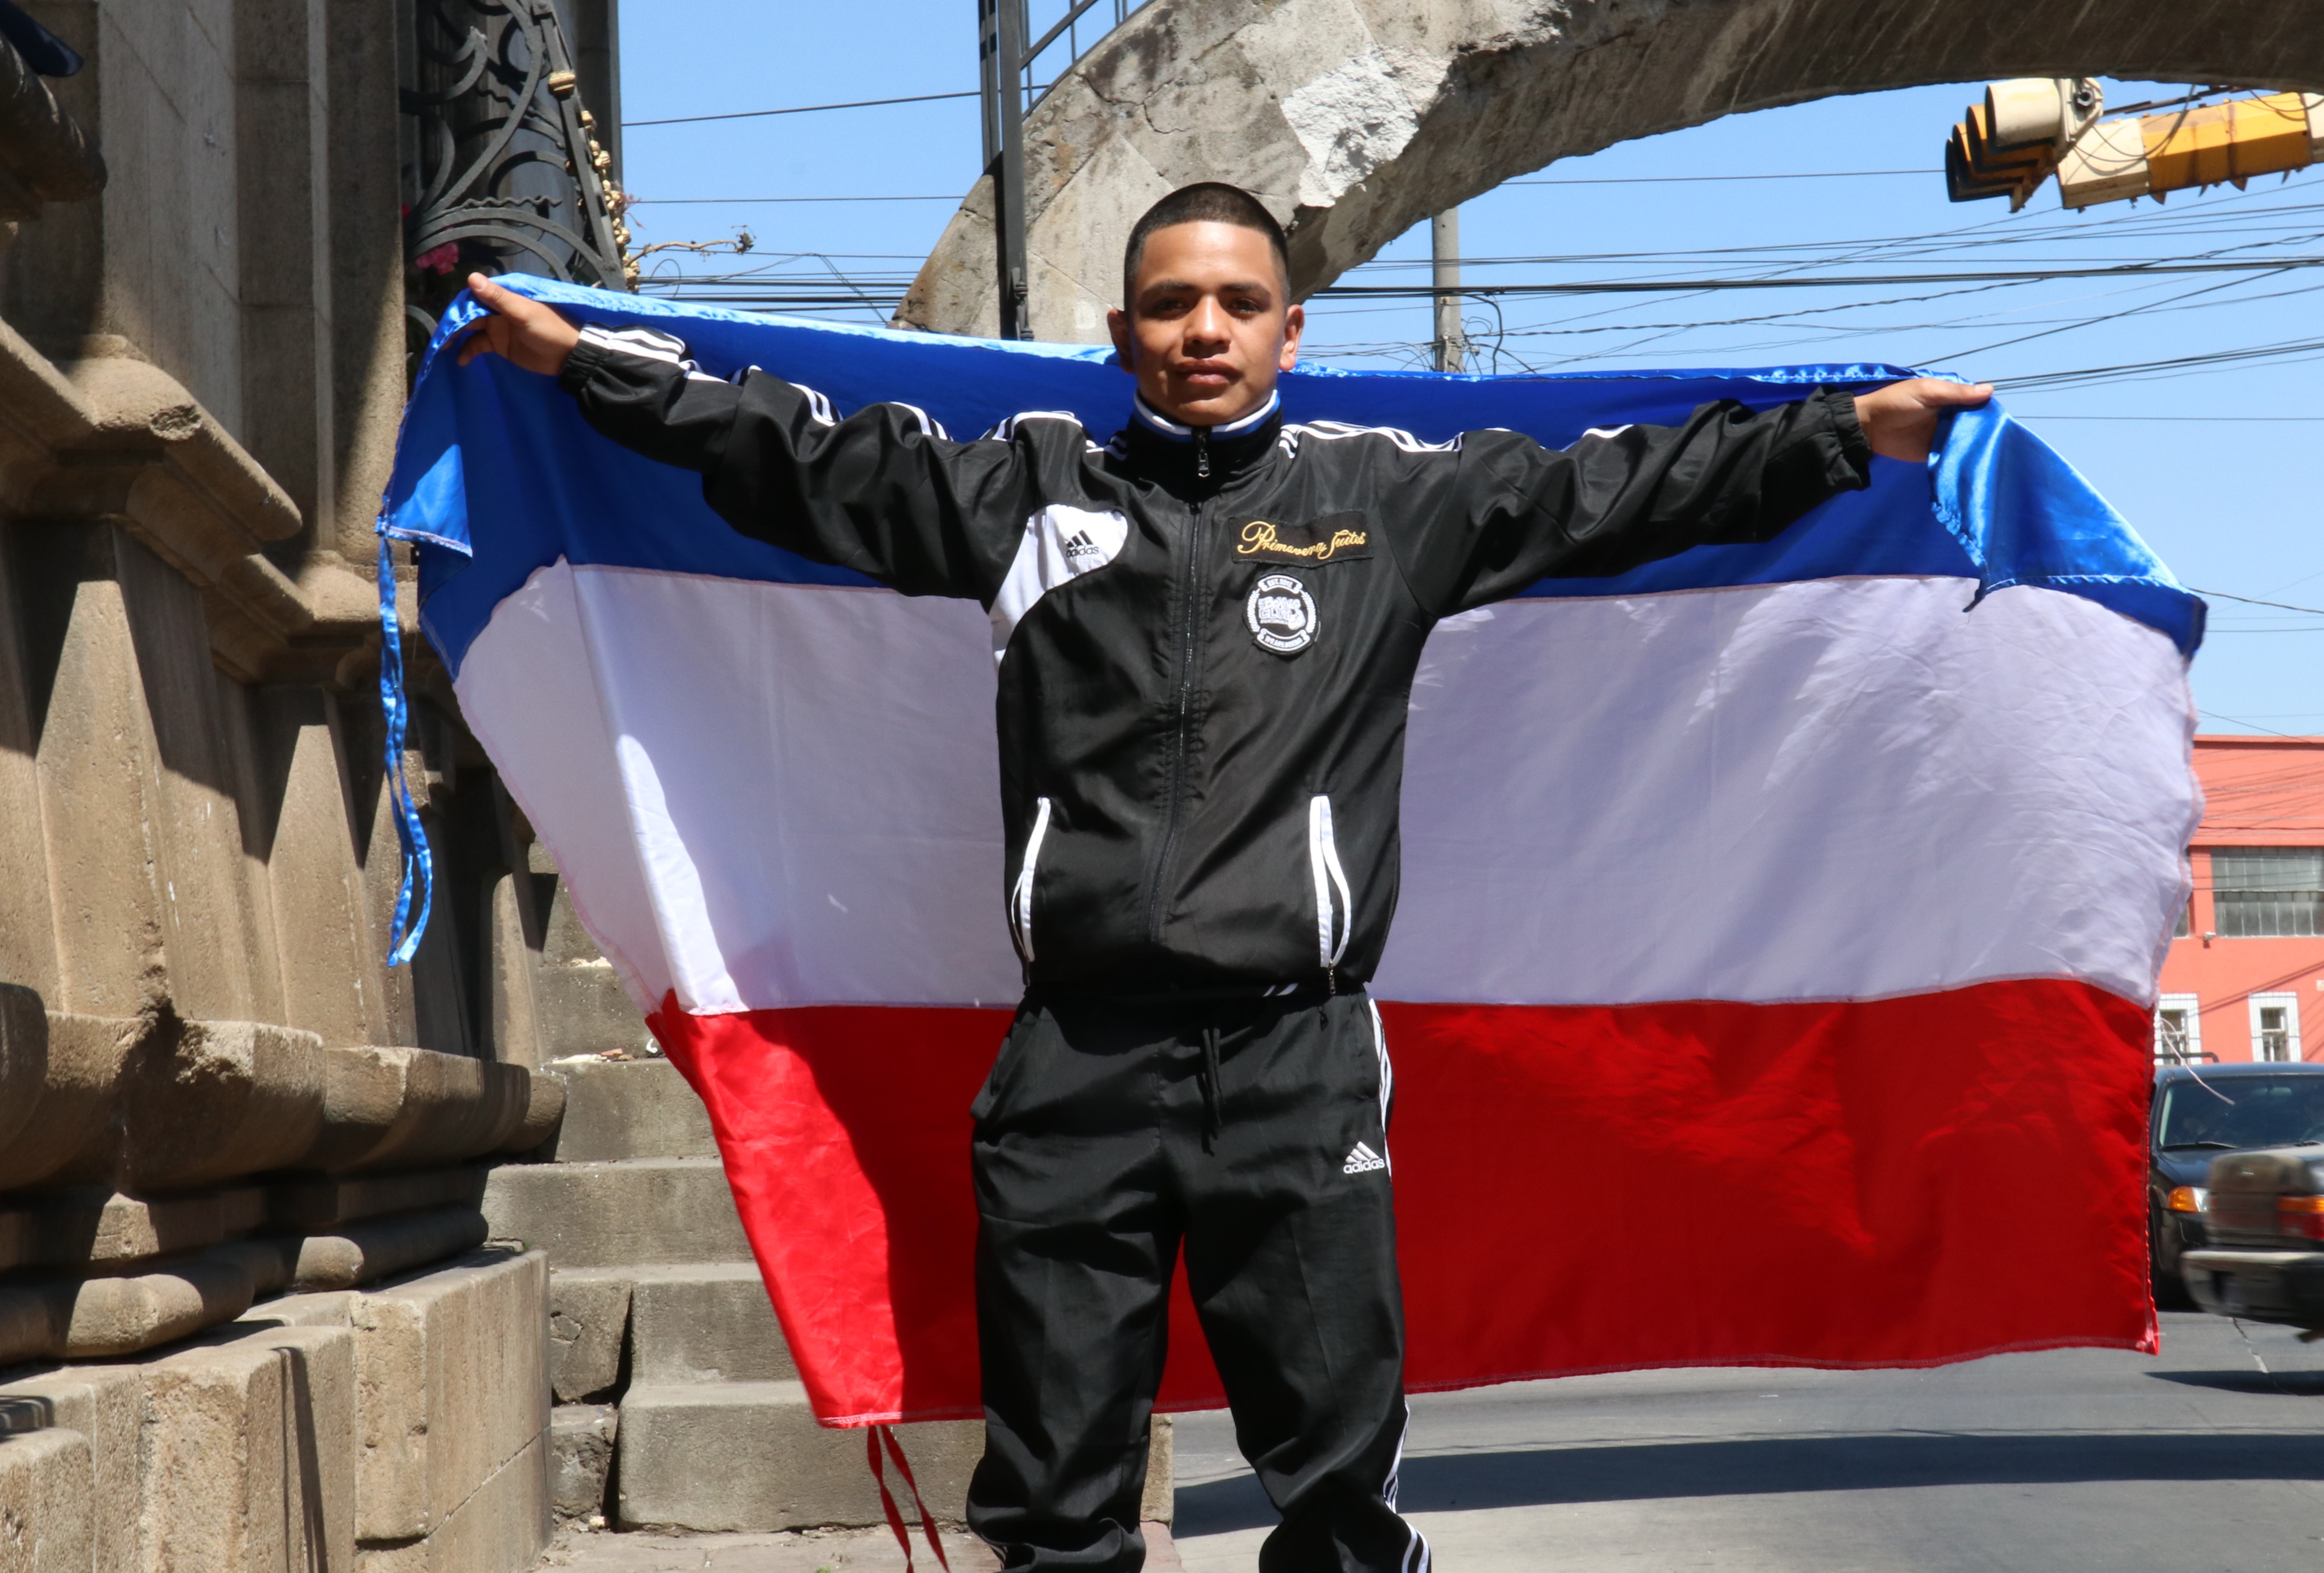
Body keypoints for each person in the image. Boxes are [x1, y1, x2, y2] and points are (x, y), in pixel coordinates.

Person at [457, 181, 1989, 1573]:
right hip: (1076, 1066)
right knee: (1056, 1504)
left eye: (1238, 304)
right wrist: (580, 363)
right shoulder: (1024, 491)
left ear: (1290, 330)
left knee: (1334, 1502)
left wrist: (1848, 436)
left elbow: (1629, 487)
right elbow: (788, 452)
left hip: (1296, 1059)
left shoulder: (1388, 502)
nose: (1206, 330)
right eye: (1175, 304)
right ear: (1122, 330)